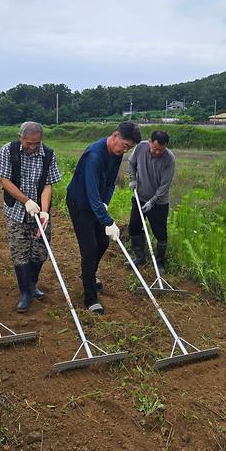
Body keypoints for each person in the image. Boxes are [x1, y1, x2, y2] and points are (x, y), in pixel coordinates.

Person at [66, 121, 141, 315]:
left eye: (129, 148)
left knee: (103, 243)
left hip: (97, 203)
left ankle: (87, 274)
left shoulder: (116, 154)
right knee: (89, 248)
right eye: (125, 145)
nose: (125, 151)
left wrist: (105, 203)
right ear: (115, 135)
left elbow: (110, 183)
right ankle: (90, 298)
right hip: (80, 204)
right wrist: (107, 220)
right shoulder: (95, 155)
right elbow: (91, 194)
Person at [0, 122, 62, 313]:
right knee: (20, 251)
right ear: (21, 137)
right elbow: (5, 180)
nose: (32, 147)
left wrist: (44, 211)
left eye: (36, 143)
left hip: (40, 210)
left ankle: (32, 283)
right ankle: (24, 291)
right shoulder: (9, 151)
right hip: (16, 209)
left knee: (40, 251)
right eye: (29, 143)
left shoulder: (48, 154)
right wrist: (26, 201)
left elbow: (48, 184)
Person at [128, 130, 176, 270]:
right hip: (140, 197)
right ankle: (139, 257)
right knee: (134, 227)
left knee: (160, 232)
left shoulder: (169, 159)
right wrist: (132, 180)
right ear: (150, 142)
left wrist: (152, 201)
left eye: (161, 150)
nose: (157, 152)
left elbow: (164, 186)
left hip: (159, 202)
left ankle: (160, 262)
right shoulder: (141, 147)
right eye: (155, 148)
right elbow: (131, 163)